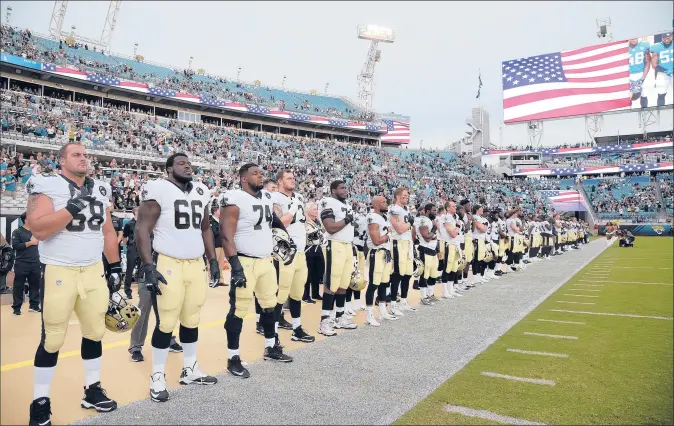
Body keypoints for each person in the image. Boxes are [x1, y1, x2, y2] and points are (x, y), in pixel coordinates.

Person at [25, 142, 122, 426]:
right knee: (53, 338)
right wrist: (72, 207)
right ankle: (40, 402)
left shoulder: (101, 187)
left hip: (93, 270)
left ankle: (92, 390)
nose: (83, 159)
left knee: (94, 332)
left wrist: (114, 267)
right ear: (61, 160)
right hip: (59, 270)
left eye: (85, 155)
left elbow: (107, 231)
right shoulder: (47, 183)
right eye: (76, 155)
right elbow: (39, 229)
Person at [136, 153, 219, 403]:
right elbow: (143, 228)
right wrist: (148, 265)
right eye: (181, 163)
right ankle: (158, 375)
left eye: (189, 163)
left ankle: (190, 368)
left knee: (192, 317)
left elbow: (205, 228)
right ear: (169, 169)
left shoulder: (201, 191)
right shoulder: (158, 188)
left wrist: (213, 260)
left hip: (196, 264)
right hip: (169, 262)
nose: (188, 165)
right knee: (166, 320)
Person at [220, 163, 295, 380]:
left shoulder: (266, 197)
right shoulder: (234, 198)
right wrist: (234, 265)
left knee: (270, 305)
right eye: (255, 173)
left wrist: (285, 237)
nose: (260, 176)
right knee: (239, 309)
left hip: (265, 261)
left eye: (261, 172)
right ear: (243, 179)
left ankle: (271, 347)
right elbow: (226, 234)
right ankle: (233, 357)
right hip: (245, 261)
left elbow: (272, 219)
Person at [271, 170, 315, 343]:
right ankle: (272, 334)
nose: (293, 180)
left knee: (297, 294)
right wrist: (294, 208)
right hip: (284, 253)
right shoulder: (275, 197)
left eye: (293, 178)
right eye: (289, 178)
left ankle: (296, 329)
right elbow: (280, 222)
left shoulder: (296, 198)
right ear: (280, 181)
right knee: (280, 294)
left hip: (300, 252)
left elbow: (302, 224)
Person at [317, 180, 356, 336]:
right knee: (331, 283)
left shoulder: (346, 205)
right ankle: (325, 320)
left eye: (346, 187)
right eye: (341, 188)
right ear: (333, 190)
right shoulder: (328, 202)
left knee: (343, 283)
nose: (345, 190)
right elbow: (330, 228)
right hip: (335, 244)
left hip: (347, 245)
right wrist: (347, 219)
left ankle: (340, 316)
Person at [364, 195, 395, 326]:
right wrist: (388, 235)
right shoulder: (373, 217)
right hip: (376, 253)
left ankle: (382, 311)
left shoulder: (383, 217)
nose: (386, 203)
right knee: (374, 284)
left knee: (384, 282)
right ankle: (369, 314)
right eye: (383, 202)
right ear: (376, 205)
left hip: (385, 253)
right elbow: (376, 241)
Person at [388, 187, 417, 312]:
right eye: (404, 195)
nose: (407, 197)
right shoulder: (393, 209)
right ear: (397, 196)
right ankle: (393, 304)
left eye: (407, 195)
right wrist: (409, 223)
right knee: (398, 274)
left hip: (407, 243)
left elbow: (405, 229)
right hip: (398, 243)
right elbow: (399, 229)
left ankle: (404, 301)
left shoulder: (405, 210)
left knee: (408, 273)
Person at [11, 212, 41, 316]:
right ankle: (16, 308)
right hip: (21, 263)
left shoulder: (36, 232)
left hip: (35, 263)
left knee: (35, 285)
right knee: (18, 286)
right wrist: (31, 243)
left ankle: (34, 306)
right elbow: (16, 246)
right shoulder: (17, 232)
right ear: (26, 220)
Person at [415, 203, 440, 304]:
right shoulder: (423, 220)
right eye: (434, 210)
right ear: (428, 211)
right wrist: (434, 228)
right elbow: (427, 237)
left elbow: (432, 237)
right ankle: (423, 297)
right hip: (425, 249)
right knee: (424, 274)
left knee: (433, 274)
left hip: (432, 249)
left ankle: (430, 294)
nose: (436, 212)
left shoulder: (430, 220)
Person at [303, 202, 324, 303]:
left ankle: (315, 293)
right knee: (308, 273)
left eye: (316, 209)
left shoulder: (317, 221)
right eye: (314, 209)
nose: (316, 211)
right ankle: (306, 296)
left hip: (318, 248)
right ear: (308, 211)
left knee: (317, 272)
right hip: (308, 249)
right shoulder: (305, 221)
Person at [122, 207, 139, 299]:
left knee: (141, 270)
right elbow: (124, 237)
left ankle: (141, 291)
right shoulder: (129, 224)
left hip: (142, 249)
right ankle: (128, 292)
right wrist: (128, 247)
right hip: (132, 249)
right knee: (129, 271)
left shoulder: (144, 224)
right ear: (135, 212)